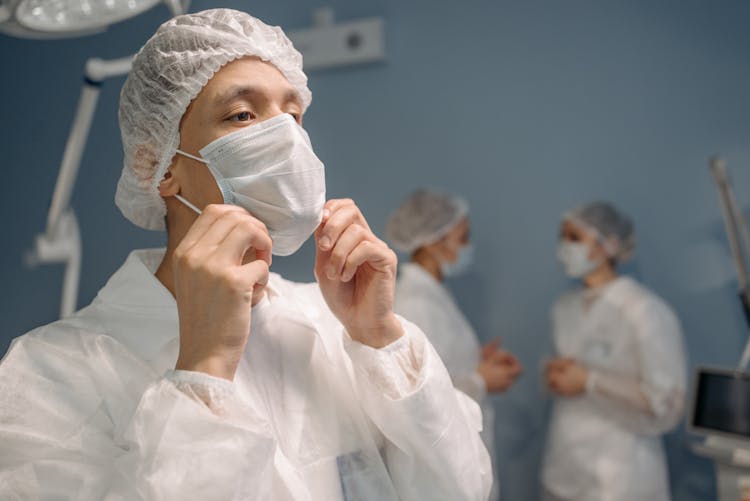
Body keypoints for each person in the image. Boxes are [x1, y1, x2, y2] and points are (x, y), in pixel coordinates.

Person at [0, 10, 492, 500]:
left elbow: (458, 489)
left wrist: (381, 338)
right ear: (158, 164)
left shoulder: (335, 325)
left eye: (294, 116)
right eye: (242, 115)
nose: (287, 141)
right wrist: (205, 367)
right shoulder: (49, 372)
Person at [542, 201, 687, 501]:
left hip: (622, 472)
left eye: (574, 237)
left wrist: (590, 381)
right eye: (562, 237)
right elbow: (566, 366)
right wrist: (556, 375)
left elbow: (667, 400)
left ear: (608, 244)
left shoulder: (644, 310)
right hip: (565, 462)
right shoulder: (564, 307)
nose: (564, 246)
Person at [386, 189, 523, 500]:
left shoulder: (433, 294)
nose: (468, 247)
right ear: (435, 242)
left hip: (457, 451)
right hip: (440, 465)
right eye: (463, 237)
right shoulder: (416, 302)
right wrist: (481, 380)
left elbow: (439, 362)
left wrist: (476, 359)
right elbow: (417, 396)